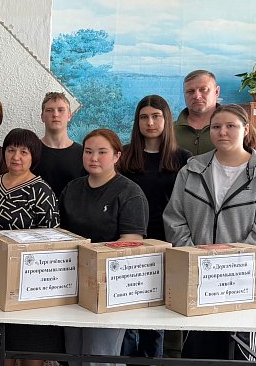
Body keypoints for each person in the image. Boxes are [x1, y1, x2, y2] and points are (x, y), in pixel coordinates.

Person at [164, 104, 256, 360]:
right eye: (216, 127)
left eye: (231, 126)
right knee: (197, 352)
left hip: (244, 280)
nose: (223, 132)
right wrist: (195, 259)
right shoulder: (192, 169)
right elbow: (175, 218)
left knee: (238, 353)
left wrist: (229, 267)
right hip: (198, 277)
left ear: (246, 129)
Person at [59, 129, 149, 366]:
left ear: (117, 156)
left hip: (109, 286)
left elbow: (132, 242)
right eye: (88, 152)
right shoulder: (72, 189)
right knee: (72, 354)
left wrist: (93, 259)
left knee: (99, 356)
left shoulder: (130, 193)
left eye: (102, 152)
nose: (94, 158)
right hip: (72, 284)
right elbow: (61, 235)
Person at [117, 95, 190, 361]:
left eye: (156, 116)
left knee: (156, 313)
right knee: (125, 308)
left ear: (166, 119)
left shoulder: (183, 158)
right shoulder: (124, 155)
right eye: (144, 117)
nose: (150, 123)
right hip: (129, 240)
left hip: (166, 242)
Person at [0, 128, 60, 366]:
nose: (16, 157)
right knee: (0, 349)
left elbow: (52, 243)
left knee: (29, 351)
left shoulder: (42, 191)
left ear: (33, 156)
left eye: (24, 152)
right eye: (11, 150)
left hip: (29, 284)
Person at [174, 69, 256, 155]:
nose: (197, 96)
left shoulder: (240, 128)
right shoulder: (170, 130)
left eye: (203, 89)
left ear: (216, 92)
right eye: (190, 91)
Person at [33, 91, 85, 196]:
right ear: (42, 117)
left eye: (61, 110)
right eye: (49, 110)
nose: (55, 114)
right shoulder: (31, 151)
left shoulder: (83, 153)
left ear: (69, 115)